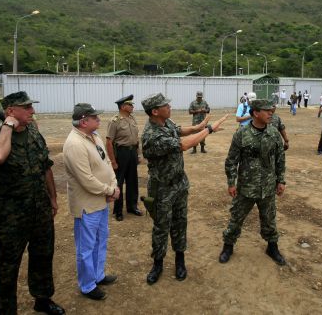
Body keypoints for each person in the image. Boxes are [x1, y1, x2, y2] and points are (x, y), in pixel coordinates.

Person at [0, 91, 64, 315]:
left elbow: (45, 166)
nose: (32, 111)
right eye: (26, 108)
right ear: (10, 111)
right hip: (11, 217)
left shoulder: (34, 134)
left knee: (43, 257)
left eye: (31, 107)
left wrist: (53, 198)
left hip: (40, 210)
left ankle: (43, 299)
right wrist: (7, 126)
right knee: (8, 268)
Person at [140, 93, 227, 285]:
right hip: (161, 188)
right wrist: (210, 129)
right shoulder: (151, 135)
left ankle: (180, 260)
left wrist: (199, 126)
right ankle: (158, 264)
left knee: (180, 222)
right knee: (161, 227)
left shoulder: (166, 123)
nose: (169, 106)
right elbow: (184, 144)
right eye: (165, 105)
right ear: (155, 111)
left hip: (179, 184)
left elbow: (180, 131)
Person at [219, 99, 287, 266]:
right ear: (256, 113)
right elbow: (231, 160)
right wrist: (231, 183)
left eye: (271, 110)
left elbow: (280, 158)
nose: (271, 113)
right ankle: (228, 246)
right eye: (266, 110)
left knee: (269, 219)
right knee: (236, 218)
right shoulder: (242, 134)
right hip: (246, 187)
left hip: (268, 186)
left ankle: (272, 247)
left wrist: (281, 180)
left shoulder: (273, 133)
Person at [63, 103, 120, 301]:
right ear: (83, 121)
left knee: (100, 241)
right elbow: (86, 179)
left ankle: (98, 275)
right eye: (95, 117)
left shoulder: (94, 137)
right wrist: (110, 190)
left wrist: (113, 184)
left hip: (101, 201)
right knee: (86, 248)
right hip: (87, 205)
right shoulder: (74, 144)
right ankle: (87, 285)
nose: (99, 120)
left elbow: (106, 164)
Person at [106, 94, 142, 222]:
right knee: (119, 182)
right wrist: (113, 161)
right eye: (130, 104)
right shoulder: (114, 121)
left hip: (132, 152)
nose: (132, 106)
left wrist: (138, 154)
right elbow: (109, 142)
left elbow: (136, 139)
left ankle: (132, 207)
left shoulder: (132, 119)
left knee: (133, 181)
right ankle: (118, 210)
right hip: (121, 153)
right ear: (122, 106)